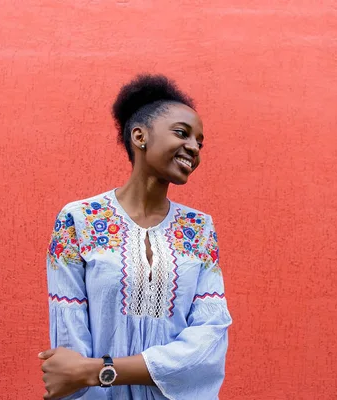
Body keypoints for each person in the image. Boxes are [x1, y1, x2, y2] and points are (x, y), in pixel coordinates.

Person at [39, 74, 231, 400]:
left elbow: (208, 340)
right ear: (139, 136)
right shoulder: (79, 220)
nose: (194, 148)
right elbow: (69, 348)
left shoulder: (199, 230)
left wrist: (99, 370)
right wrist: (84, 374)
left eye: (200, 142)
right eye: (182, 133)